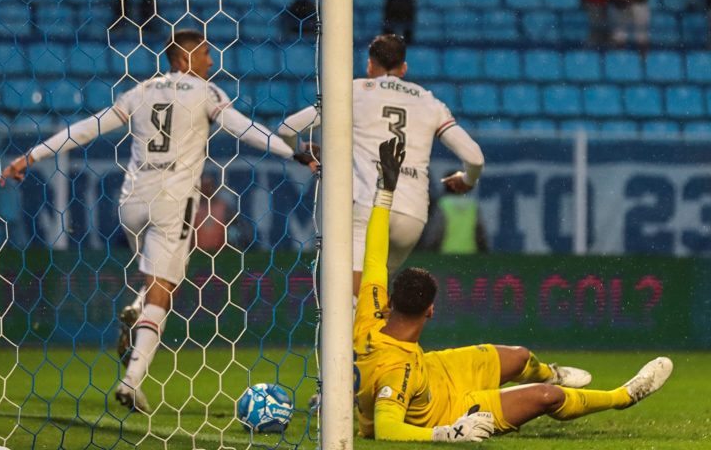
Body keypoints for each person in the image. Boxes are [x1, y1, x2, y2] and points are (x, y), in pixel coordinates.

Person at [0, 29, 317, 413]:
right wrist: (292, 152)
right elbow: (242, 128)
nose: (211, 62)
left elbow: (87, 128)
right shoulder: (207, 93)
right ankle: (132, 380)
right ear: (185, 59)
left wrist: (30, 156)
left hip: (131, 202)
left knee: (160, 280)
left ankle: (136, 307)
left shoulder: (140, 91)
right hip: (173, 201)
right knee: (163, 289)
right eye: (205, 54)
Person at [354, 137, 674, 442]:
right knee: (548, 398)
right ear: (431, 311)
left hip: (435, 370)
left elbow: (373, 258)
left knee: (520, 357)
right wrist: (446, 433)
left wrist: (386, 190)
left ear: (391, 300)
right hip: (448, 411)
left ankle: (548, 372)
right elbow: (385, 428)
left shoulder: (370, 313)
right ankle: (622, 396)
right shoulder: (398, 372)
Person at [277, 34, 484, 298]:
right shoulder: (430, 102)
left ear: (370, 66)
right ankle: (379, 338)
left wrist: (304, 153)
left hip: (368, 203)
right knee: (377, 292)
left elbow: (288, 128)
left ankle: (354, 339)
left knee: (352, 297)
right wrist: (467, 180)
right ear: (404, 68)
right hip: (412, 213)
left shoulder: (356, 91)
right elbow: (475, 157)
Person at [421, 171, 488, 254]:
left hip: (446, 254)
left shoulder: (443, 204)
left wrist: (428, 250)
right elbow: (480, 233)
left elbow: (435, 233)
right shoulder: (472, 205)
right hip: (470, 254)